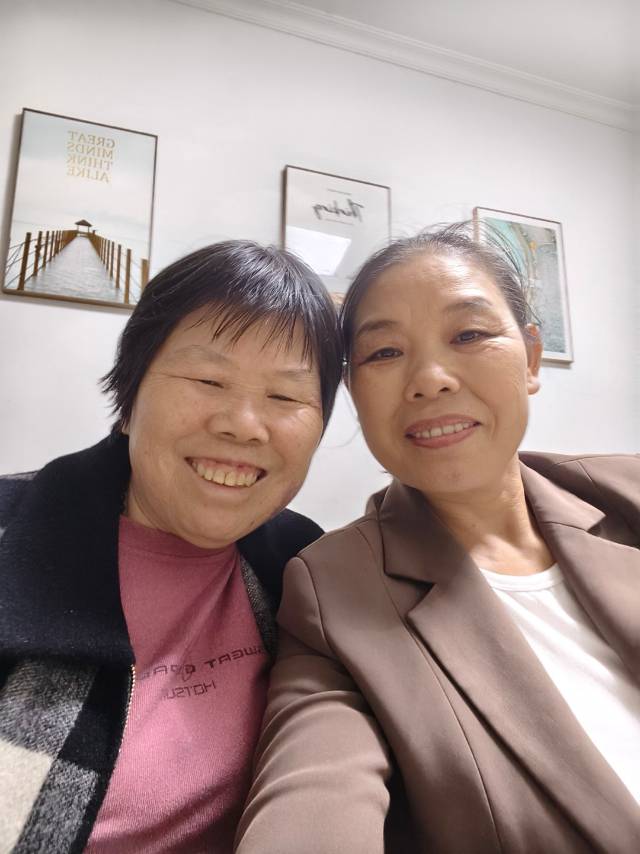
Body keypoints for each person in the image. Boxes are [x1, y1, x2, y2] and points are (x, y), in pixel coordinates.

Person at [235, 223, 640, 854]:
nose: (430, 379)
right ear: (354, 392)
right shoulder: (334, 589)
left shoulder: (625, 492)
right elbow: (316, 787)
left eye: (469, 334)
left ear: (531, 358)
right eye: (384, 353)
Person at [0, 240, 342, 854]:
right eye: (209, 379)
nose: (243, 424)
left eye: (285, 397)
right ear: (128, 398)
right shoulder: (11, 535)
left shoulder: (305, 568)